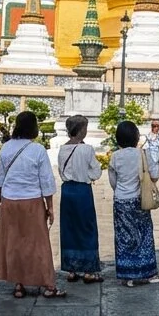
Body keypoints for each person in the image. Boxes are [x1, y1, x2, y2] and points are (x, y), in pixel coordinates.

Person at [0, 111, 63, 299]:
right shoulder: (37, 150)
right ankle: (48, 284)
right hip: (31, 201)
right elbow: (46, 180)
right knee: (38, 244)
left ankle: (18, 284)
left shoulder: (6, 147)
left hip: (9, 201)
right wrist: (50, 207)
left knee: (14, 243)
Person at [108, 121, 159, 287]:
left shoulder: (115, 156)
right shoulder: (143, 154)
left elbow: (113, 181)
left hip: (121, 201)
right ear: (136, 137)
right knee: (144, 235)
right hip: (139, 200)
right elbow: (154, 175)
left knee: (124, 237)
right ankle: (147, 272)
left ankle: (127, 275)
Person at [57, 115, 103, 284]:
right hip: (83, 190)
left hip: (67, 190)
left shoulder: (62, 149)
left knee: (69, 228)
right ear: (81, 130)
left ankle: (71, 269)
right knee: (87, 227)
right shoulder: (87, 149)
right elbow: (96, 172)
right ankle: (89, 270)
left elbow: (61, 172)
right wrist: (86, 175)